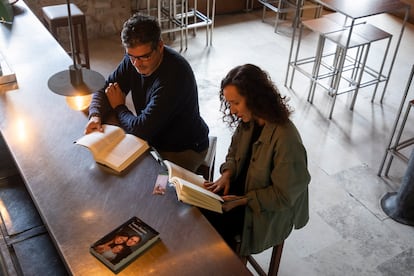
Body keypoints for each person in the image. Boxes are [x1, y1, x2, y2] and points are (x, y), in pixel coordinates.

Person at [203, 64, 310, 258]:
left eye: (235, 103)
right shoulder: (249, 121)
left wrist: (242, 200)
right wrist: (227, 174)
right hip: (242, 193)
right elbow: (234, 152)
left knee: (212, 229)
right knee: (197, 210)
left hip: (265, 211)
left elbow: (284, 197)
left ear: (254, 98)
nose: (232, 110)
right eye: (229, 104)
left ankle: (223, 267)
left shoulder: (286, 138)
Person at [85, 13, 209, 172]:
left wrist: (119, 107)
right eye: (131, 57)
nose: (137, 64)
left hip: (183, 149)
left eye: (145, 57)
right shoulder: (134, 57)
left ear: (160, 46)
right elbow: (105, 88)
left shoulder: (175, 77)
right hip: (154, 138)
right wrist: (95, 115)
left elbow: (140, 129)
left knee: (157, 189)